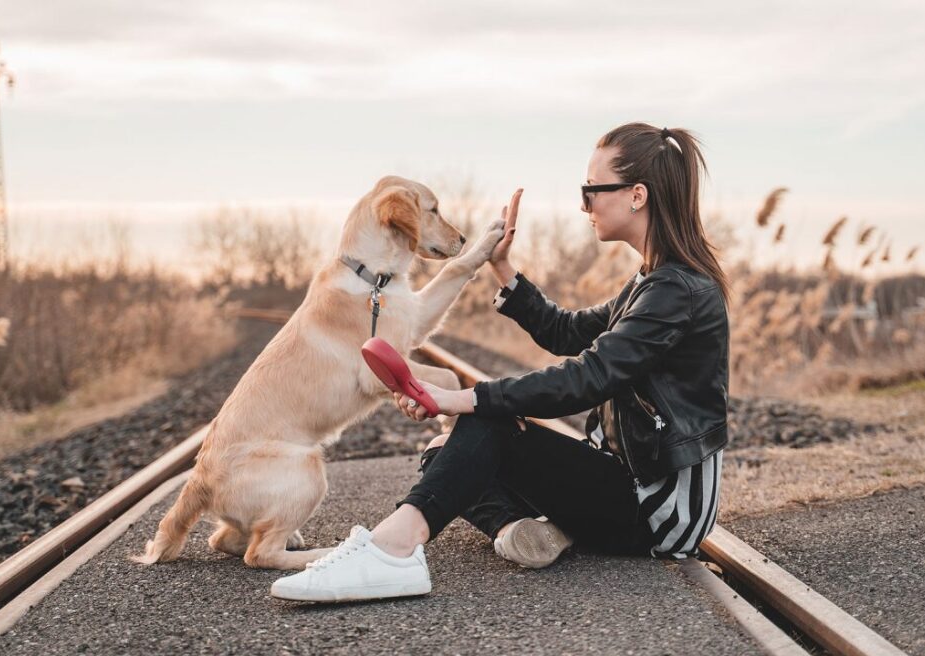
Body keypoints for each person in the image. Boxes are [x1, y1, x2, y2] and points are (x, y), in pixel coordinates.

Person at [271, 122, 732, 603]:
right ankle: (523, 529)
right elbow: (566, 332)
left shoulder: (674, 291)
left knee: (482, 429)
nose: (583, 205)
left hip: (658, 509)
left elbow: (588, 377)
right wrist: (502, 266)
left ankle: (392, 550)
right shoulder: (652, 282)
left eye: (591, 190)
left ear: (636, 195)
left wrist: (466, 398)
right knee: (444, 453)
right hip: (625, 481)